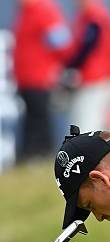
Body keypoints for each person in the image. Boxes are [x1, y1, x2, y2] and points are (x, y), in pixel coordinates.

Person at [13, 0, 71, 160]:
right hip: (26, 79)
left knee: (40, 120)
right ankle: (31, 156)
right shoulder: (26, 11)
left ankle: (40, 156)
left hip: (40, 78)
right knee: (32, 120)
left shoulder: (44, 10)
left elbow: (62, 44)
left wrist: (56, 68)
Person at [65, 0, 110, 131]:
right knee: (96, 126)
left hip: (94, 79)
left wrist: (71, 67)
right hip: (101, 77)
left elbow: (86, 47)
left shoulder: (95, 16)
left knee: (86, 125)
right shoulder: (96, 14)